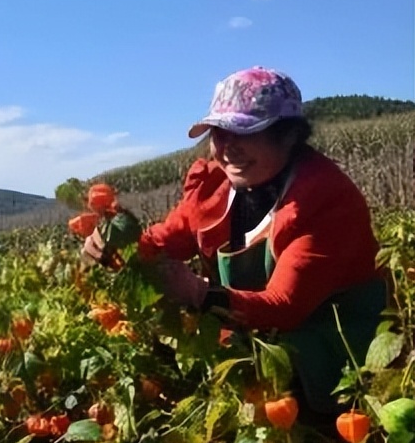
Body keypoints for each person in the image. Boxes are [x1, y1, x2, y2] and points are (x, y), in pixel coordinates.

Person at [86, 67, 385, 422]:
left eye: (245, 133)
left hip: (326, 339)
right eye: (219, 134)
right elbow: (166, 239)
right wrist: (113, 244)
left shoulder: (323, 199)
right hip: (253, 329)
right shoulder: (215, 187)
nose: (227, 149)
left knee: (302, 398)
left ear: (288, 136)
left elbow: (285, 304)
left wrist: (199, 293)